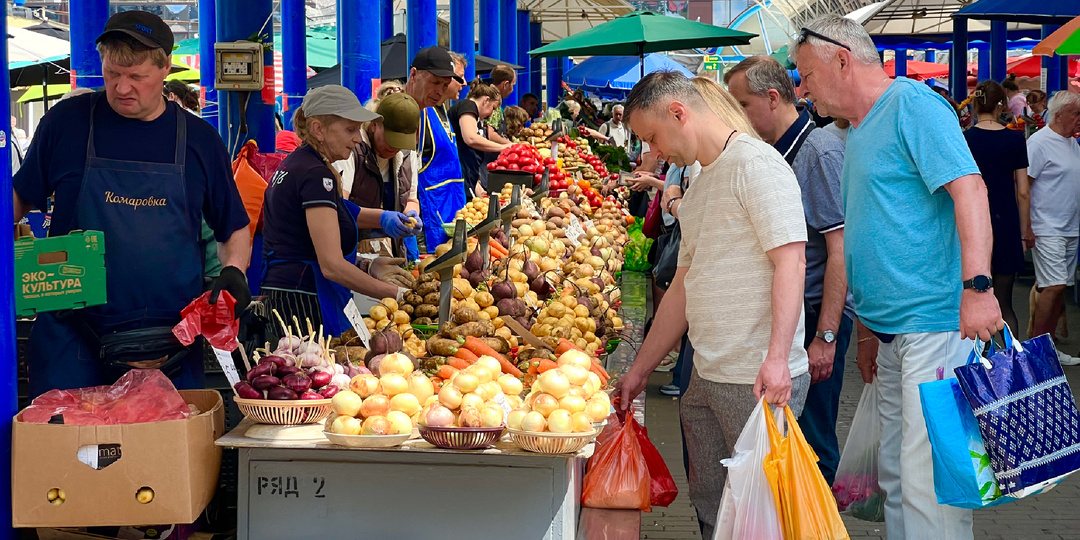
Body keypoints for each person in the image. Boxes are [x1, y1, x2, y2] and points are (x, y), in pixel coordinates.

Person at [795, 16, 1002, 540]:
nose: (803, 88)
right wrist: (867, 332)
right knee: (897, 474)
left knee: (926, 479)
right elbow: (871, 231)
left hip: (934, 324)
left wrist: (978, 289)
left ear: (841, 59)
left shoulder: (912, 106)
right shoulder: (857, 129)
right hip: (893, 336)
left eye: (806, 74)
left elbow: (971, 191)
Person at [13, 11, 252, 398]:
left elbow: (233, 226)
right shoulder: (67, 123)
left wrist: (234, 272)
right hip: (70, 337)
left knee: (165, 455)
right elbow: (20, 196)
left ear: (164, 69)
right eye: (112, 74)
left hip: (169, 344)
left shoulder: (200, 140)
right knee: (70, 454)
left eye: (136, 76)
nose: (122, 87)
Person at [615, 71, 810, 538]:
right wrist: (641, 370)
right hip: (706, 372)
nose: (655, 153)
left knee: (762, 517)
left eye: (653, 138)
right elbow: (684, 283)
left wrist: (778, 359)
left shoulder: (756, 165)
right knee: (714, 506)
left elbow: (792, 261)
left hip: (756, 380)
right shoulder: (701, 179)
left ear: (679, 113)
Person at [726, 55, 856, 485]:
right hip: (797, 313)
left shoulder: (815, 151)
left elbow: (839, 251)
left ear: (773, 97)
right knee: (791, 437)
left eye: (741, 104)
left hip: (819, 313)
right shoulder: (770, 152)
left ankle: (821, 522)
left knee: (814, 442)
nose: (736, 115)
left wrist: (827, 336)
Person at [260, 85, 419, 336]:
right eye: (350, 129)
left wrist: (378, 235)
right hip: (304, 302)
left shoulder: (303, 164)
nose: (358, 138)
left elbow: (340, 214)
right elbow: (331, 265)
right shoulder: (315, 175)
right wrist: (397, 295)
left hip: (293, 293)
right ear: (318, 129)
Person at [963, 80, 1030, 336]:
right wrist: (1024, 232)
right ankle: (1011, 366)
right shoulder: (1014, 139)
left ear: (976, 103)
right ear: (1002, 104)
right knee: (1004, 302)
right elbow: (1023, 191)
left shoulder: (965, 139)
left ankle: (978, 365)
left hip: (973, 224)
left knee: (971, 299)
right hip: (1006, 222)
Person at [1025, 91, 1080, 365]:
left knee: (1060, 286)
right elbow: (1024, 187)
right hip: (1046, 226)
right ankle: (1035, 352)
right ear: (1058, 115)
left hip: (1070, 227)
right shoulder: (1039, 143)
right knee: (1054, 286)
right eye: (1076, 114)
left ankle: (1047, 348)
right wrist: (1026, 227)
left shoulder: (1072, 143)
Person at [335, 92, 423, 259]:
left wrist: (411, 216)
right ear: (375, 125)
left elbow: (411, 199)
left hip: (391, 252)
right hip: (352, 253)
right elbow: (340, 210)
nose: (394, 148)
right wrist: (382, 218)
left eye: (401, 143)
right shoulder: (352, 150)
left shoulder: (406, 153)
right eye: (391, 139)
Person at [405, 46, 466, 250]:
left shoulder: (437, 108)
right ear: (414, 75)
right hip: (424, 216)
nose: (439, 90)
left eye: (445, 84)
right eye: (435, 82)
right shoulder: (410, 113)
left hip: (445, 209)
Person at [450, 80, 509, 198]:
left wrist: (477, 187)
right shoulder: (468, 105)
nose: (491, 114)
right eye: (493, 108)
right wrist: (504, 147)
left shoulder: (475, 115)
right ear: (486, 100)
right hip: (457, 179)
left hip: (466, 179)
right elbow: (470, 138)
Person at [485, 64, 516, 142]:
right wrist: (512, 145)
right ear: (505, 84)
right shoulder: (493, 101)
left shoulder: (486, 97)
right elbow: (490, 134)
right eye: (513, 85)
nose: (512, 90)